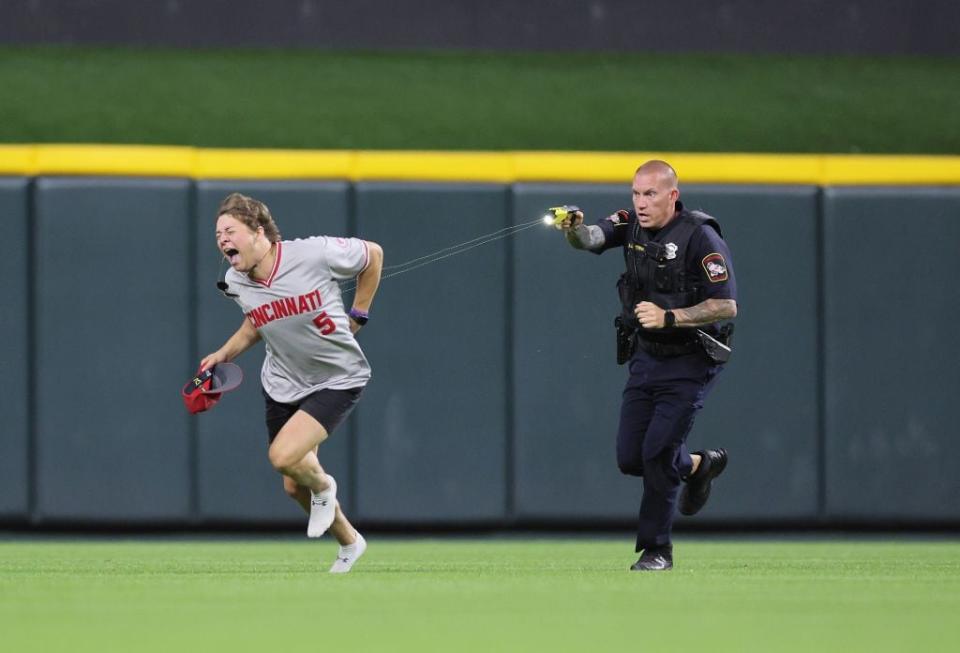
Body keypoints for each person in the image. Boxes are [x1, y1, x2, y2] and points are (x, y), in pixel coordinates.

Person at [558, 160, 737, 571]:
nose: (641, 203)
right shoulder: (632, 224)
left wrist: (671, 316)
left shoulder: (700, 235)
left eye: (651, 194)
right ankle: (698, 466)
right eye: (636, 193)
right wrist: (572, 229)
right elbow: (591, 238)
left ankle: (657, 550)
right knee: (631, 457)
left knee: (657, 451)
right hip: (647, 356)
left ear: (672, 196)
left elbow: (726, 304)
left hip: (691, 359)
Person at [201, 192, 383, 574]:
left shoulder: (312, 253)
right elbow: (258, 321)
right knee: (292, 485)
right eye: (218, 234)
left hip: (337, 377)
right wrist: (223, 354)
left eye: (230, 231)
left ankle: (324, 487)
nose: (222, 240)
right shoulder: (236, 279)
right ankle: (350, 542)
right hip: (283, 382)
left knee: (283, 457)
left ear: (259, 231)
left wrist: (358, 315)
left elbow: (373, 255)